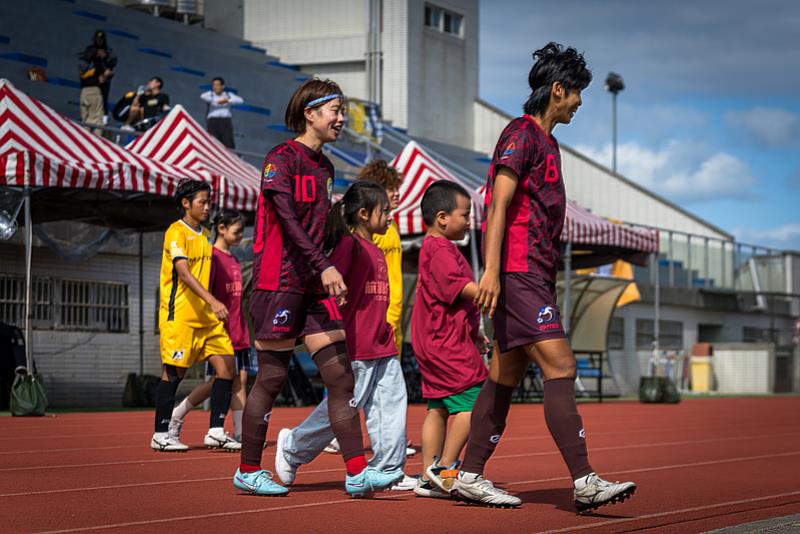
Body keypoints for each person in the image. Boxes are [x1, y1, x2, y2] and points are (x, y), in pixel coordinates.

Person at [453, 42, 637, 511]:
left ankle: (469, 474)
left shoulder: (548, 142)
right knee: (561, 366)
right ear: (558, 90)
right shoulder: (521, 134)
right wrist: (491, 270)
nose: (580, 103)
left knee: (505, 373)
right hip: (517, 271)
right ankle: (584, 480)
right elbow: (498, 205)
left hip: (532, 272)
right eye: (577, 94)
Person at [232, 78, 402, 497]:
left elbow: (322, 227)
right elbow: (288, 224)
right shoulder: (281, 158)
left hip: (312, 284)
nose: (342, 118)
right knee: (271, 377)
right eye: (335, 111)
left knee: (342, 378)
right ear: (310, 113)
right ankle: (248, 469)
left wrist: (340, 258)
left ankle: (357, 472)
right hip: (279, 283)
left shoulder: (325, 167)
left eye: (343, 111)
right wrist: (325, 266)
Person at [273, 181, 410, 490]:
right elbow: (329, 283)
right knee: (344, 408)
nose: (391, 216)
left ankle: (387, 467)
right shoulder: (350, 246)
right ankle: (293, 446)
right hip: (356, 344)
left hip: (381, 341)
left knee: (392, 404)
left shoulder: (376, 249)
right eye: (384, 211)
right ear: (363, 214)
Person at [410, 181, 488, 499]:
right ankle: (444, 468)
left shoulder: (432, 248)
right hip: (446, 342)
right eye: (464, 214)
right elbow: (457, 287)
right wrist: (491, 291)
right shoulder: (441, 249)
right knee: (476, 402)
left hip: (435, 339)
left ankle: (429, 475)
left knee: (438, 406)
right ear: (442, 218)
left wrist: (475, 332)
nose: (468, 220)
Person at [151, 180, 239, 452]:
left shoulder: (204, 235)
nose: (207, 206)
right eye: (202, 201)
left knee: (227, 368)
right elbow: (184, 274)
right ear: (186, 203)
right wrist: (213, 300)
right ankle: (161, 433)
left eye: (208, 201)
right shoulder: (176, 232)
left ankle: (215, 430)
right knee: (174, 373)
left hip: (206, 318)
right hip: (180, 316)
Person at [168, 209, 253, 446]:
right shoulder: (212, 258)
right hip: (219, 331)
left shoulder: (235, 260)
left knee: (241, 380)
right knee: (219, 380)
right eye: (236, 232)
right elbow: (206, 295)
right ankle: (179, 412)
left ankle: (239, 432)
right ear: (222, 228)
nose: (240, 236)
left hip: (238, 328)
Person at [78, 30, 116, 135]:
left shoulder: (89, 56)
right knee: (97, 123)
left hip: (84, 91)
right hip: (95, 90)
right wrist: (106, 75)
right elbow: (102, 77)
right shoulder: (97, 62)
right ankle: (94, 145)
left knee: (86, 122)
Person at [201, 77, 244, 149]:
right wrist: (217, 101)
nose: (215, 87)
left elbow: (241, 100)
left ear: (222, 86)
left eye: (217, 85)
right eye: (214, 85)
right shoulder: (210, 94)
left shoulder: (228, 95)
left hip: (225, 121)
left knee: (227, 141)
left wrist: (228, 100)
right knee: (212, 142)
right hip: (213, 122)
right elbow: (203, 97)